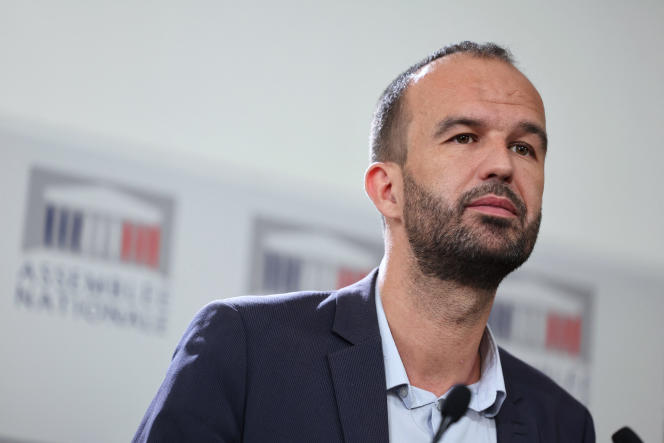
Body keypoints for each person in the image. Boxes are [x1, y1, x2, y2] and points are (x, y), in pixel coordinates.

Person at [133, 41, 595, 442]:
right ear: (388, 191)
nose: (503, 165)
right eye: (465, 137)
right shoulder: (247, 350)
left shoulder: (562, 425)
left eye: (524, 148)